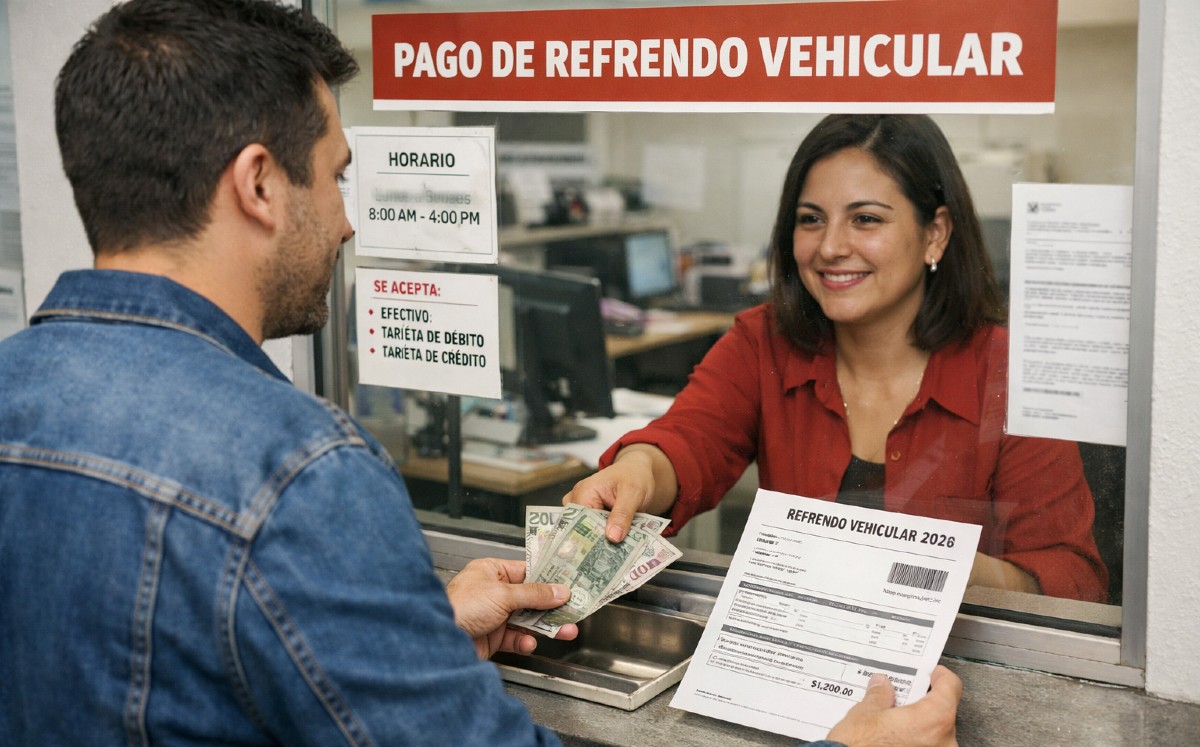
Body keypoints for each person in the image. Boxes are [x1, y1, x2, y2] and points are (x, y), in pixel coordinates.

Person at [0, 1, 962, 745]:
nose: (345, 221)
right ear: (258, 184)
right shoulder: (301, 476)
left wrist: (410, 632)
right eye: (336, 175)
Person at [568, 114, 1108, 603]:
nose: (829, 247)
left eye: (866, 219)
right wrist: (638, 470)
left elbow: (1072, 579)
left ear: (935, 234)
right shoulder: (765, 343)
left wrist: (947, 570)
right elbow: (690, 440)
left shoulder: (1009, 376)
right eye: (810, 219)